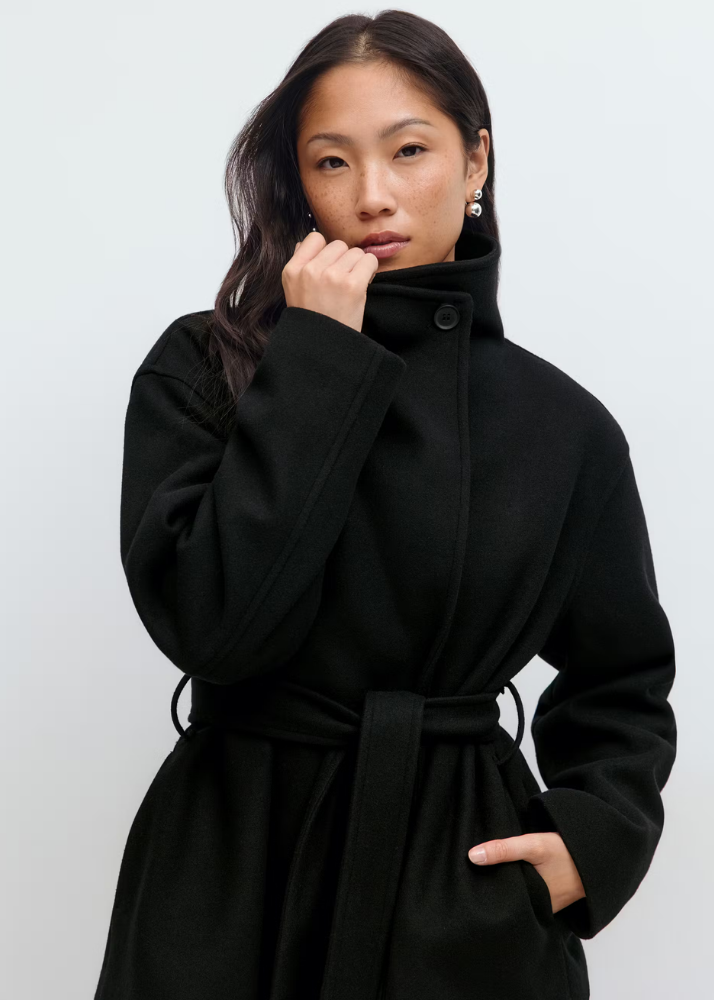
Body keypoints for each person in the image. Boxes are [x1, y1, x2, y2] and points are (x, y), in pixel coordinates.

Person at [93, 11, 677, 1000]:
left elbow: (622, 678)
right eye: (331, 161)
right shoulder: (205, 369)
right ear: (297, 182)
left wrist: (592, 841)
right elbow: (213, 628)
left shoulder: (563, 425)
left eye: (410, 150)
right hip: (230, 881)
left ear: (475, 159)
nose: (372, 195)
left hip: (460, 893)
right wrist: (317, 361)